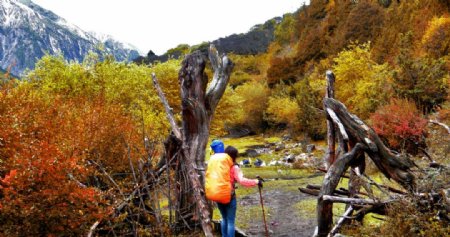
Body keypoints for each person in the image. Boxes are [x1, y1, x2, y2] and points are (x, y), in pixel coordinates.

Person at [216, 145, 263, 237]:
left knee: (224, 218)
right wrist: (256, 181)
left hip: (218, 194)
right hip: (229, 196)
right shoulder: (234, 167)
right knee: (230, 221)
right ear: (235, 156)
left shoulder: (220, 166)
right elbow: (242, 181)